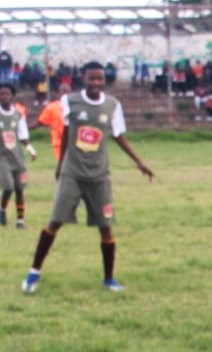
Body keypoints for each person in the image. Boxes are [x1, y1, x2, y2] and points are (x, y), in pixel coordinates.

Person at [22, 62, 154, 295]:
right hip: (72, 173)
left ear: (105, 80)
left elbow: (119, 136)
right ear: (83, 78)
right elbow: (65, 135)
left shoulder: (113, 105)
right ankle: (34, 272)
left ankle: (109, 279)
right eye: (92, 78)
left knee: (106, 227)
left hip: (99, 175)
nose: (96, 83)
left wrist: (139, 162)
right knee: (55, 221)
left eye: (100, 79)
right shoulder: (69, 102)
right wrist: (61, 164)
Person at [0, 83, 36, 228]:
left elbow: (23, 135)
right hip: (2, 157)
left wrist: (30, 149)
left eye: (6, 94)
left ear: (12, 96)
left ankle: (20, 221)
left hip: (17, 156)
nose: (4, 97)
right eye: (1, 94)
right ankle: (2, 210)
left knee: (20, 188)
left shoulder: (17, 114)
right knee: (8, 187)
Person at [35, 83, 72, 159]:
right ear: (59, 93)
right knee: (62, 165)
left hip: (73, 142)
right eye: (63, 91)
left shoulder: (75, 106)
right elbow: (40, 122)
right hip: (59, 143)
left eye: (67, 91)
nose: (65, 94)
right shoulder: (52, 107)